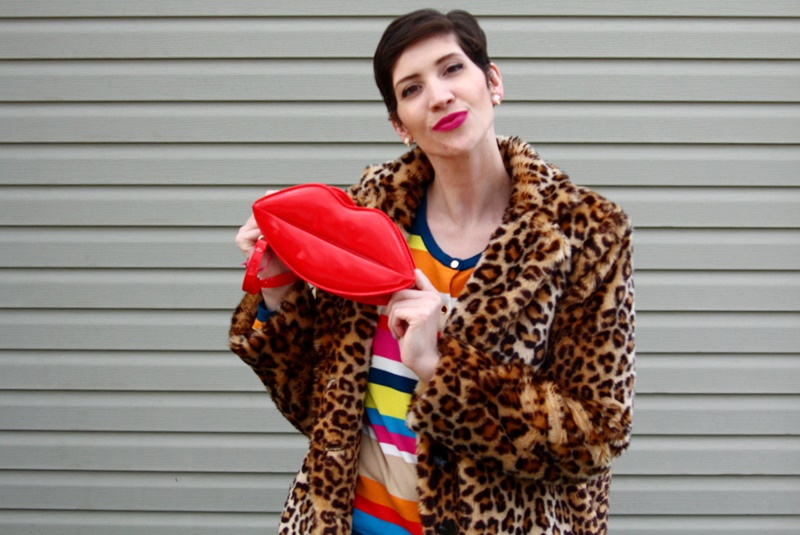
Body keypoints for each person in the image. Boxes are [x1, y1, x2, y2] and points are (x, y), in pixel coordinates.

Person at [230, 8, 635, 535]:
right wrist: (279, 285)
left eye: (452, 70)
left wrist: (441, 367)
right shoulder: (363, 225)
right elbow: (317, 410)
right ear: (400, 124)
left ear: (492, 82)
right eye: (412, 88)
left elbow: (595, 436)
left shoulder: (585, 233)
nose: (439, 95)